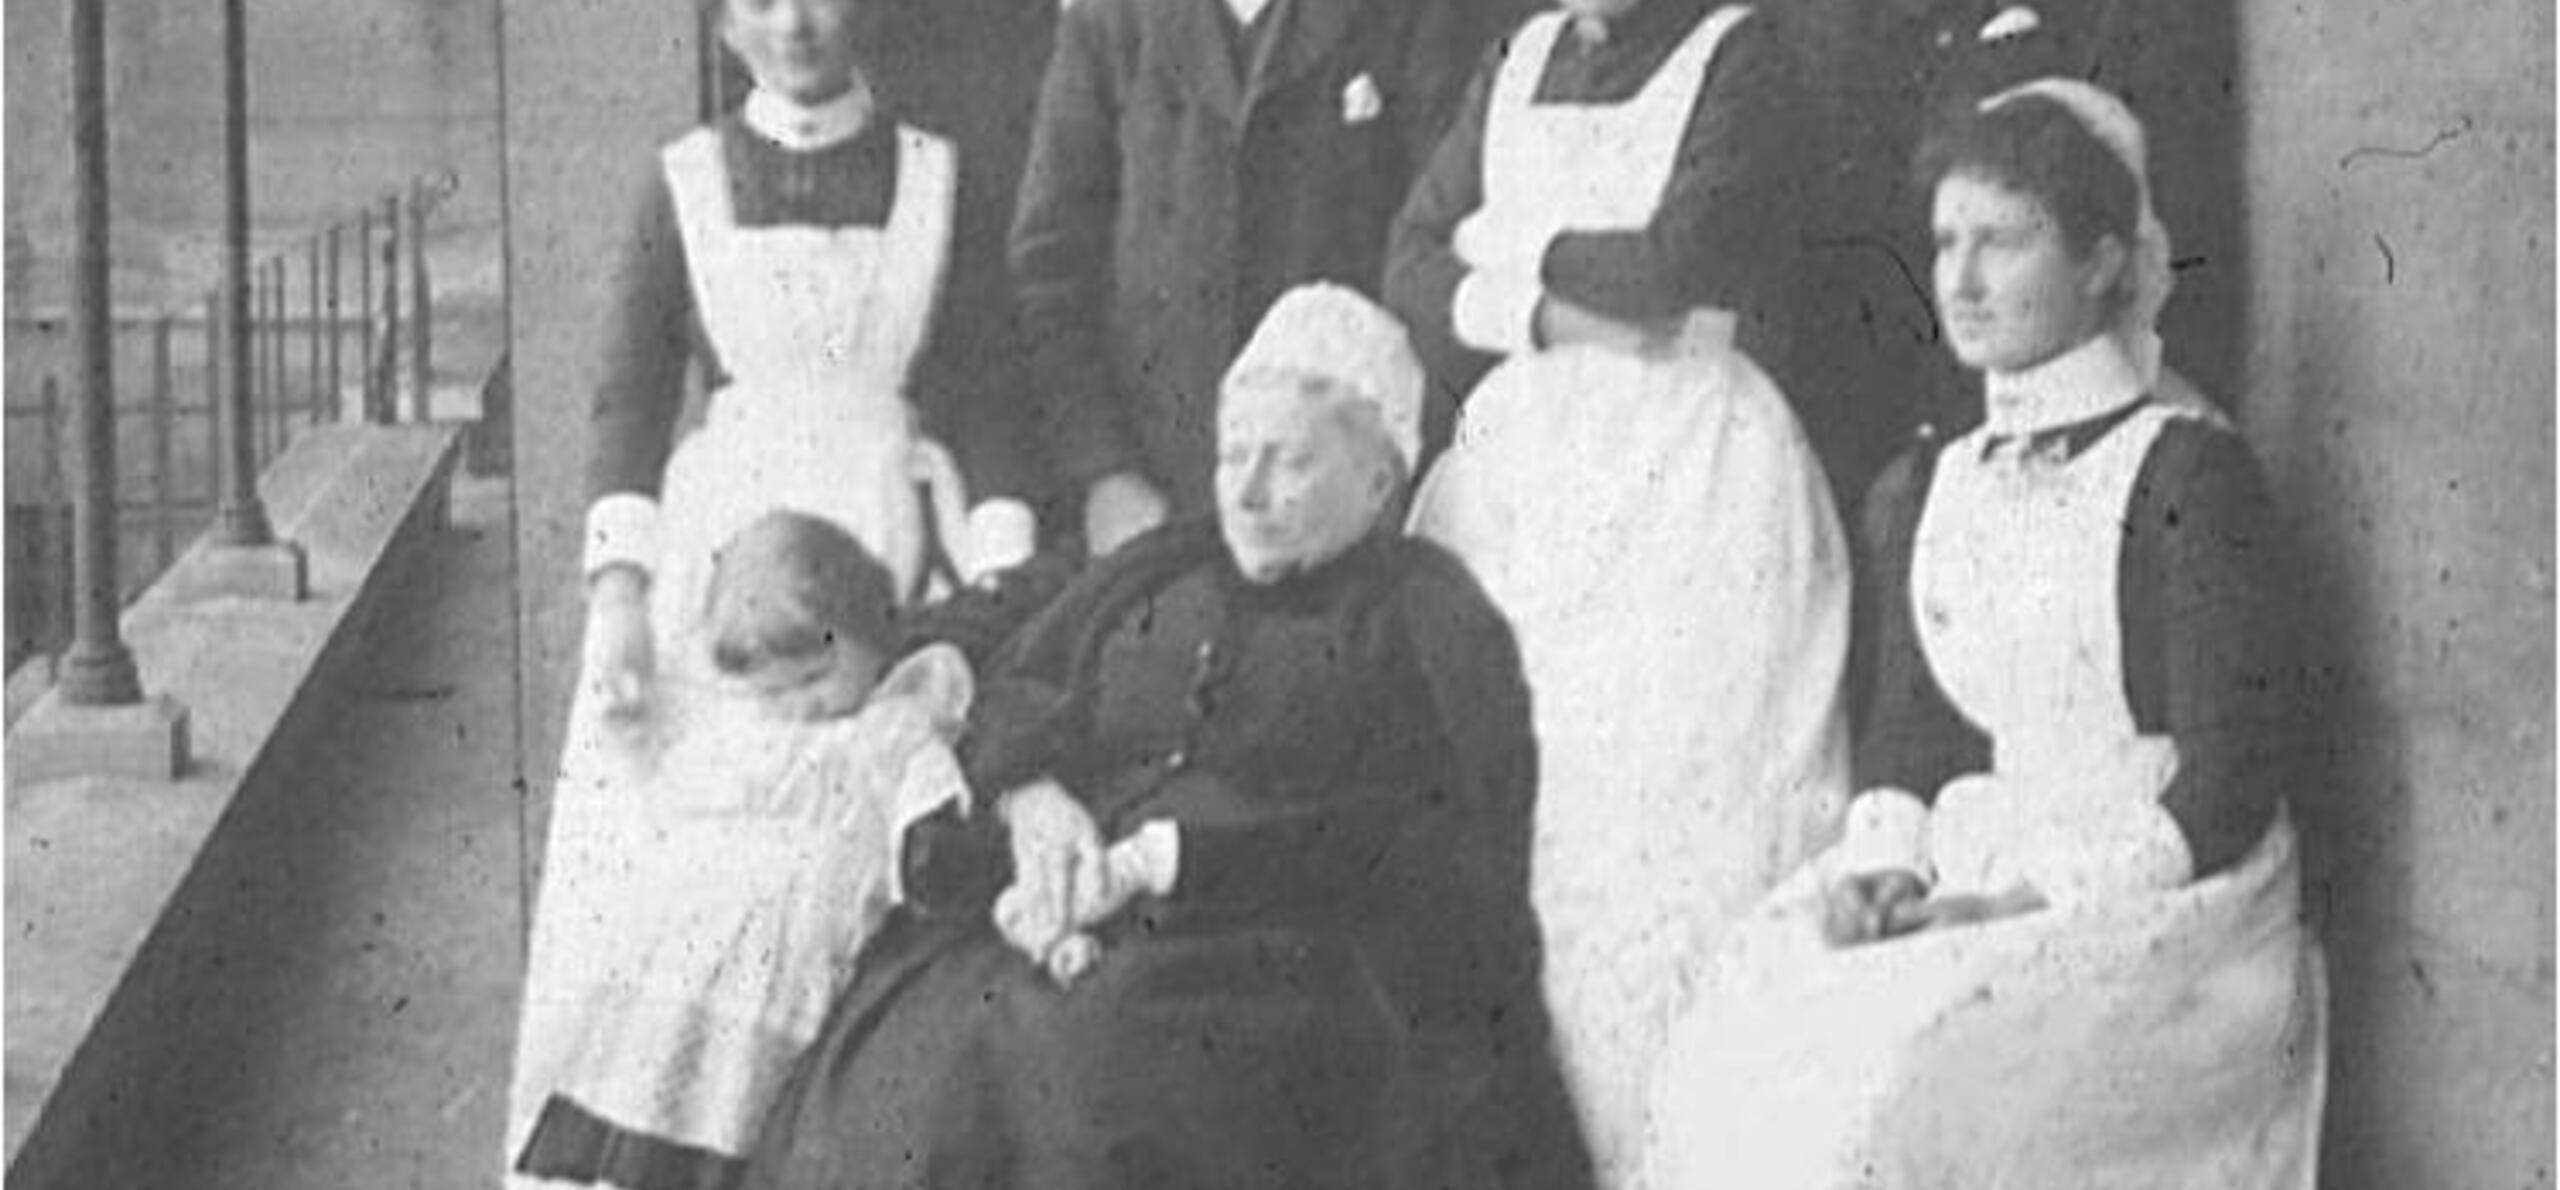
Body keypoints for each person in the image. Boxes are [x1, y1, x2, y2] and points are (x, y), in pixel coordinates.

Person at [746, 286, 1592, 1190]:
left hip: (1273, 956)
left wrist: (1167, 860)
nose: (1251, 493)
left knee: (1093, 1069)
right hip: (1053, 914)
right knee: (914, 1060)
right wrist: (1032, 797)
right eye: (1233, 456)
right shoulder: (1159, 565)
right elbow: (1028, 681)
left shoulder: (1427, 615)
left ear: (1381, 478)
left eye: (1292, 463)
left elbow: (1437, 845)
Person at [1638, 80, 2328, 1189]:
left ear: (2103, 260)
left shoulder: (2185, 471)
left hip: (2166, 899)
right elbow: (1916, 724)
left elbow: (2230, 779)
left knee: (1904, 1074)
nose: (1958, 277)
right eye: (1946, 239)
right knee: (1740, 1016)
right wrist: (1884, 863)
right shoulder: (1936, 479)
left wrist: (2021, 901)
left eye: (2003, 240)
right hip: (1986, 847)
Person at [1388, 2, 1855, 1182]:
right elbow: (1406, 260)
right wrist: (1545, 303)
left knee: (1681, 840)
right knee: (1521, 831)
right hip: (1524, 483)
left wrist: (1501, 258)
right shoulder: (1518, 54)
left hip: (1695, 477)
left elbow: (1674, 271)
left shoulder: (1737, 50)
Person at [580, 0, 1050, 726]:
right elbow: (630, 399)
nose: (793, 24)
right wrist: (618, 595)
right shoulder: (686, 180)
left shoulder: (938, 176)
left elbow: (996, 391)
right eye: (761, 2)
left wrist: (1003, 577)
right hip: (724, 535)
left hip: (893, 526)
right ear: (724, 24)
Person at [508, 513, 977, 1189]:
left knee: (737, 1123)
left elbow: (928, 811)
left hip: (786, 975)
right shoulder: (751, 730)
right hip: (698, 953)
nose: (803, 709)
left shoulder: (892, 725)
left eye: (818, 677)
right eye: (778, 691)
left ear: (868, 634)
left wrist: (930, 849)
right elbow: (681, 792)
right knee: (651, 1077)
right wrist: (634, 734)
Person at [1011, 0, 1531, 557]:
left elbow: (1444, 266)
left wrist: (1375, 476)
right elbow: (1053, 270)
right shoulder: (1112, 18)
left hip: (1347, 520)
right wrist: (1106, 471)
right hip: (1155, 501)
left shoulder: (1421, 16)